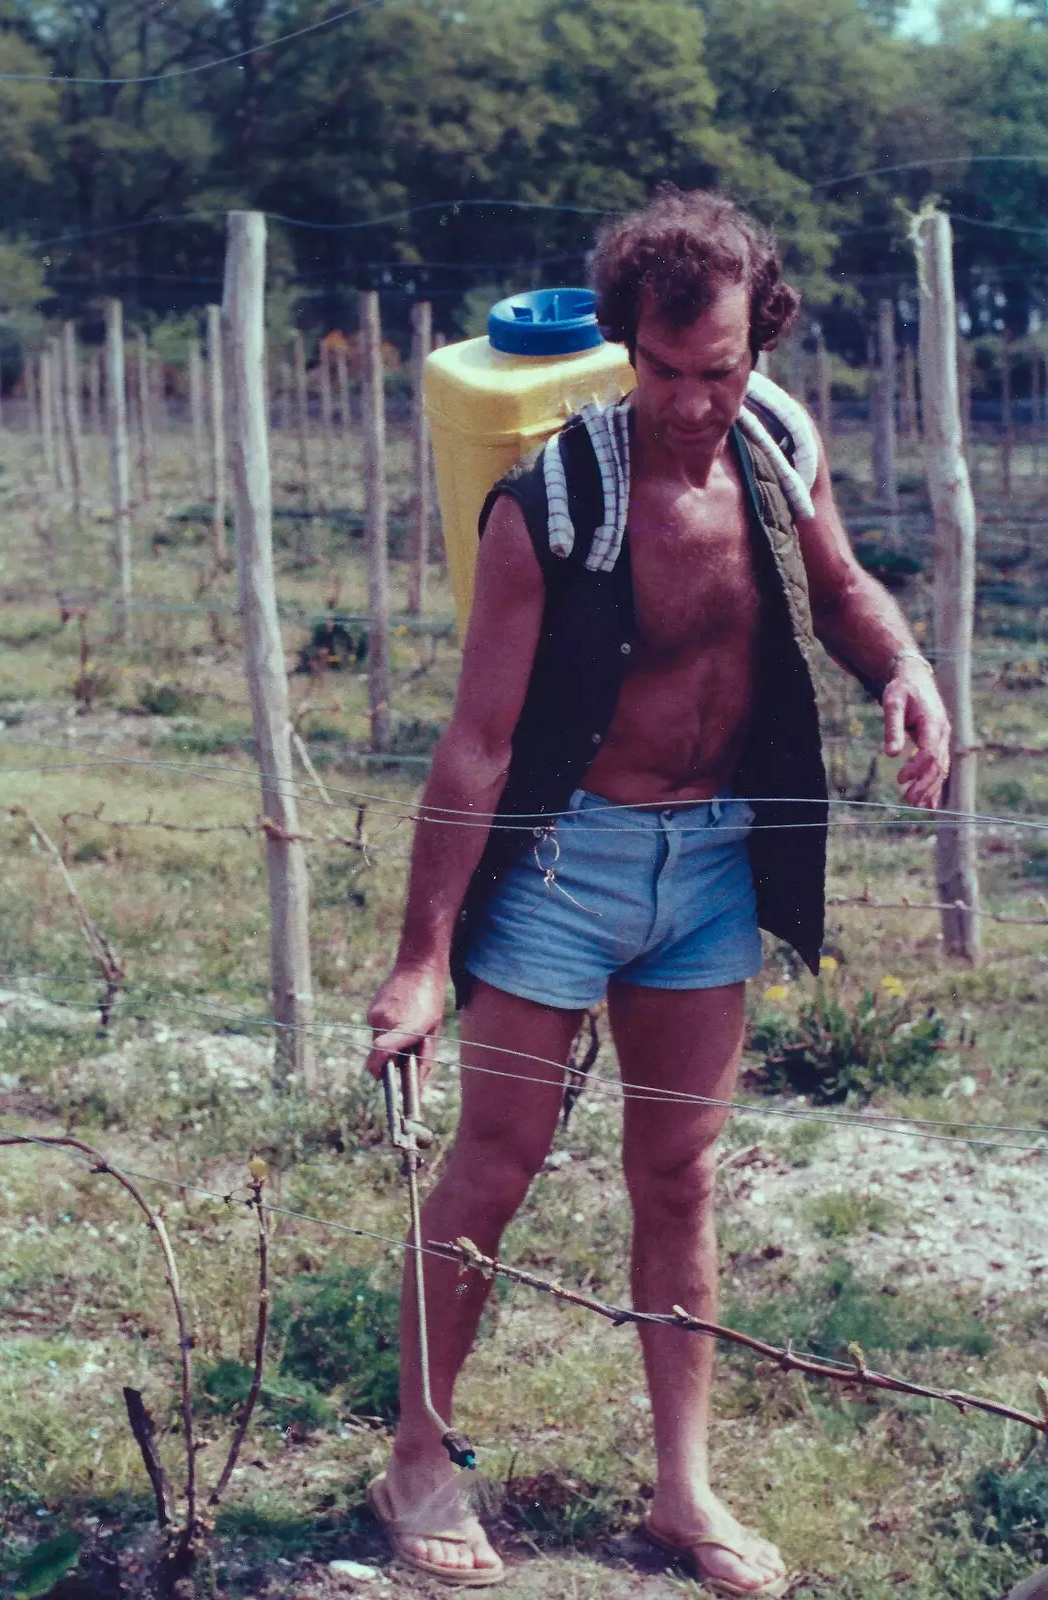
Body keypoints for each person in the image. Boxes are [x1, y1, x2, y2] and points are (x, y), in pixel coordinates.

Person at [364, 188, 951, 1595]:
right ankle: (416, 1462)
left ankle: (683, 1494)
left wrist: (906, 667)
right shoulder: (551, 505)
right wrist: (418, 959)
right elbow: (477, 744)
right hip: (565, 868)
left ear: (761, 344)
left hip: (710, 872)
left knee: (677, 1175)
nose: (697, 401)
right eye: (670, 371)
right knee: (492, 1169)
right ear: (623, 343)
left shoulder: (775, 444)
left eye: (724, 368)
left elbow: (838, 584)